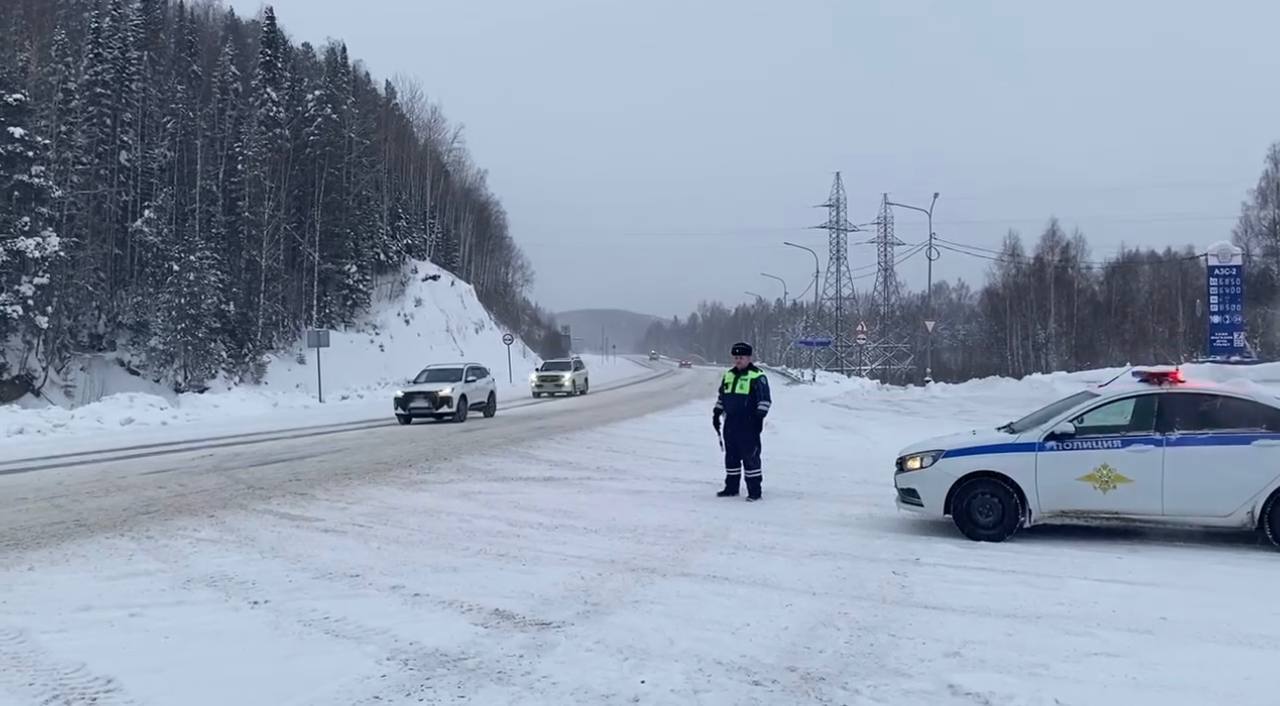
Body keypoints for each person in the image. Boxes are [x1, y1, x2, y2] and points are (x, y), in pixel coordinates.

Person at [711, 342, 771, 501]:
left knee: (750, 457)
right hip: (730, 422)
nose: (738, 360)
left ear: (749, 358)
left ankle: (754, 491)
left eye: (741, 357)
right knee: (731, 456)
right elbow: (722, 397)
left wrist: (758, 418)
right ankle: (731, 488)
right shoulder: (728, 375)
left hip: (748, 423)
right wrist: (717, 413)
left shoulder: (757, 376)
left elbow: (765, 400)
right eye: (736, 357)